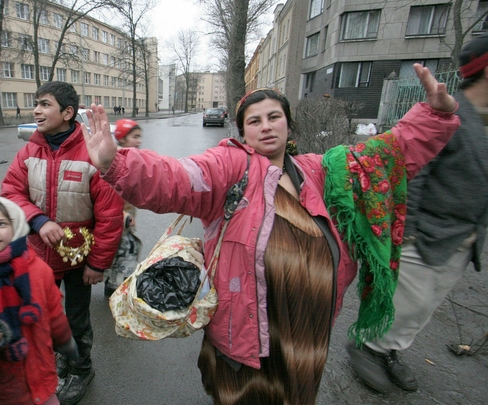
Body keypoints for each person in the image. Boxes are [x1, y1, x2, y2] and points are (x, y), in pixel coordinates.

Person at [81, 64, 459, 405]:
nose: (265, 125)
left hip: (307, 333)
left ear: (288, 124)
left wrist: (435, 115)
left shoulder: (322, 172)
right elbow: (177, 179)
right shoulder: (230, 166)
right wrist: (117, 164)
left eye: (274, 116)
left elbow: (386, 156)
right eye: (254, 120)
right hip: (247, 337)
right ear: (242, 131)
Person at [346, 32, 488, 394]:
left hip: (463, 238)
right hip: (425, 233)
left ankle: (390, 351)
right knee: (409, 302)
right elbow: (412, 168)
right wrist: (405, 232)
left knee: (424, 307)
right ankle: (368, 347)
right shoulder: (455, 118)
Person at [1, 81, 123, 405]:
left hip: (79, 262)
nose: (36, 111)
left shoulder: (91, 152)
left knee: (76, 319)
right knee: (43, 315)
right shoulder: (29, 150)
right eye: (36, 104)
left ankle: (82, 369)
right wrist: (38, 221)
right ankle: (60, 359)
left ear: (68, 113)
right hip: (39, 258)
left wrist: (98, 263)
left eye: (44, 104)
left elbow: (111, 215)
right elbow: (11, 193)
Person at [0, 196, 79, 405]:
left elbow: (54, 314)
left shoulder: (38, 271)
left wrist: (66, 342)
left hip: (42, 375)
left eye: (1, 224)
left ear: (16, 227)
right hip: (4, 386)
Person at [104, 119, 143, 297]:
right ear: (122, 138)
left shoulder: (129, 158)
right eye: (134, 137)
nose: (139, 141)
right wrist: (124, 215)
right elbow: (109, 196)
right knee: (124, 252)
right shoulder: (118, 161)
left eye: (139, 136)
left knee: (120, 252)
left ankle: (114, 286)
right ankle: (117, 291)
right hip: (118, 220)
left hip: (125, 221)